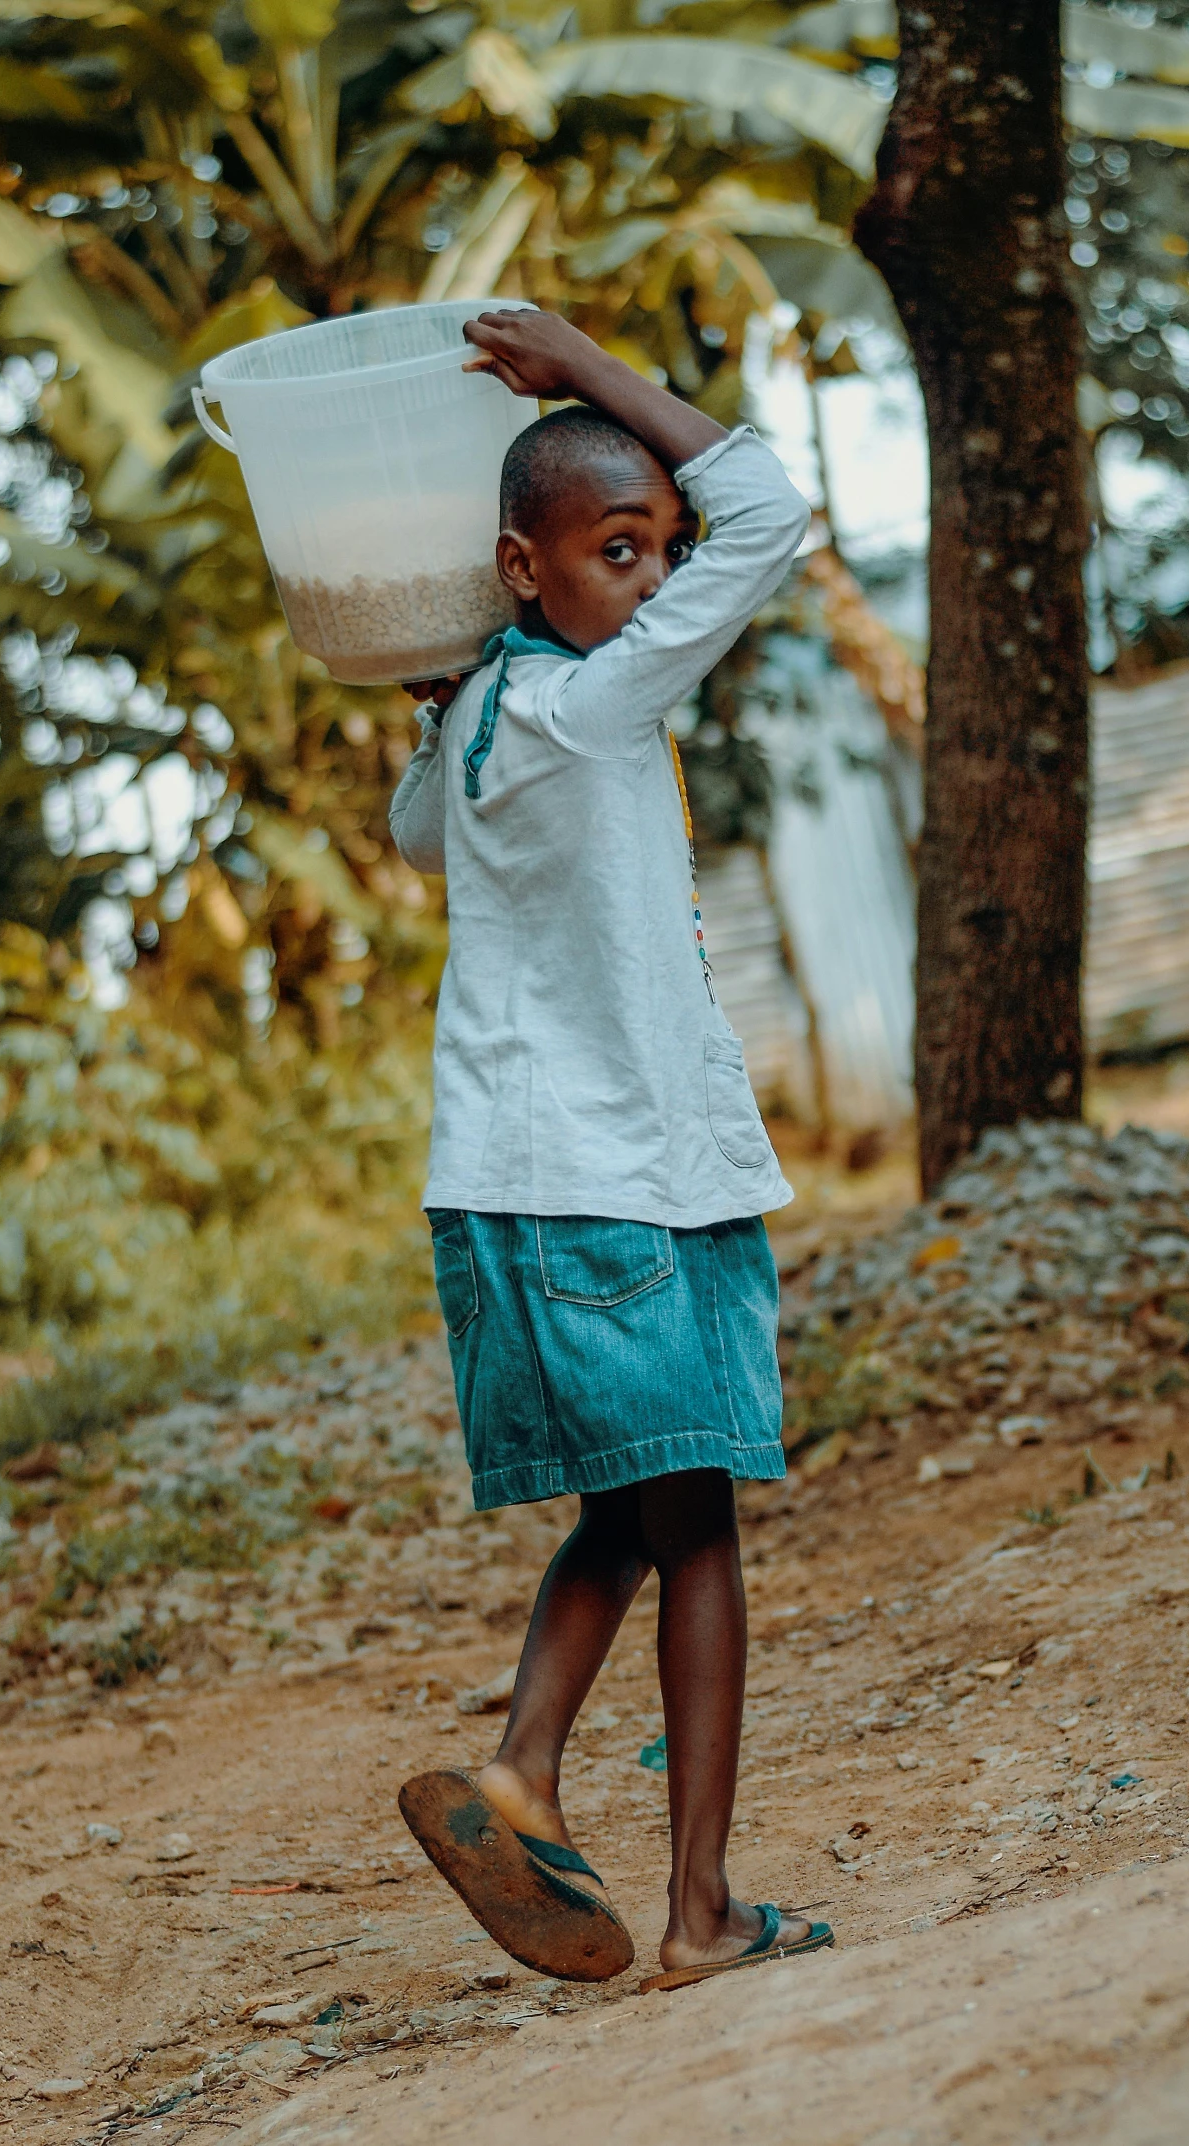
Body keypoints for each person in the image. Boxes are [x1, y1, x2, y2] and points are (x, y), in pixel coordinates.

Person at [388, 308, 831, 1992]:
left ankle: (523, 1763)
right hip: (626, 1178)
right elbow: (771, 509)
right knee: (697, 1516)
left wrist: (444, 692)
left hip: (505, 1187)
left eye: (658, 553)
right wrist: (579, 362)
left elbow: (414, 829)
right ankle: (698, 1908)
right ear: (525, 563)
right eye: (617, 550)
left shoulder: (496, 714)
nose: (653, 585)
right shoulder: (591, 697)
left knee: (630, 1511)